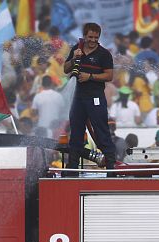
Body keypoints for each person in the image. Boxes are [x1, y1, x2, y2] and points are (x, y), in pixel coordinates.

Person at [64, 22, 116, 169]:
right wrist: (73, 59)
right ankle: (72, 169)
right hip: (77, 98)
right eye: (90, 37)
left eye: (96, 37)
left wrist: (90, 76)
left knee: (101, 131)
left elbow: (109, 76)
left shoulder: (104, 54)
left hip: (95, 97)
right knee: (76, 133)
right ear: (84, 36)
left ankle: (111, 168)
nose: (93, 40)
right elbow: (65, 69)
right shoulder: (76, 49)